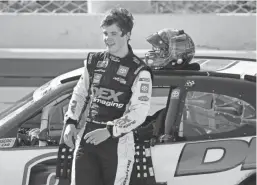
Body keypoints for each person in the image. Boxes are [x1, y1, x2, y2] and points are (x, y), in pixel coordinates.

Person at [63, 7, 153, 185]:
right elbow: (79, 94)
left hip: (118, 142)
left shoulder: (140, 71)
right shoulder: (94, 61)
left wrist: (109, 131)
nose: (107, 38)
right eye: (105, 33)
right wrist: (71, 122)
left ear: (126, 34)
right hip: (87, 137)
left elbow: (139, 113)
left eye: (113, 33)